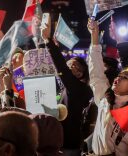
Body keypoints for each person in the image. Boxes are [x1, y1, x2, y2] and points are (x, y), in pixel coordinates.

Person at [88, 19, 128, 156]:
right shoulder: (104, 98)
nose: (118, 78)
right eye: (119, 76)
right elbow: (96, 71)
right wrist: (94, 37)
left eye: (125, 78)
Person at [41, 19, 93, 156]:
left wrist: (48, 41)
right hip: (58, 142)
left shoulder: (80, 88)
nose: (70, 66)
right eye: (69, 63)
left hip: (70, 145)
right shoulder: (63, 87)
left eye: (74, 66)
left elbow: (61, 68)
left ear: (81, 73)